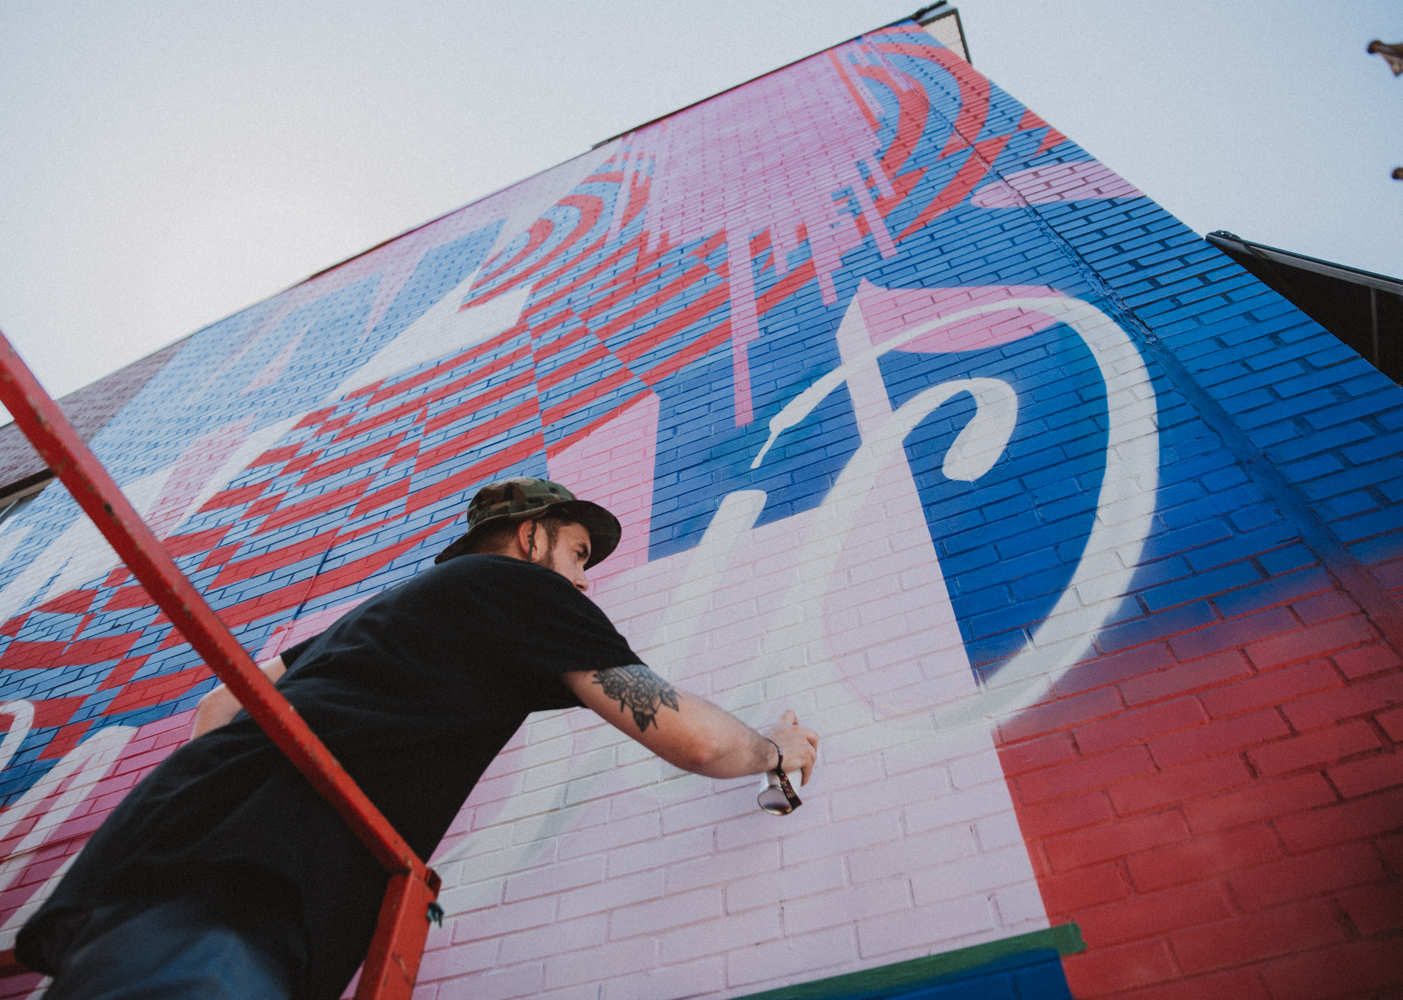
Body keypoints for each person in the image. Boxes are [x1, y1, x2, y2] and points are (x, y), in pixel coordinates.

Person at [16, 477, 818, 1000]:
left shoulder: (382, 616)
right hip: (241, 906)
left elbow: (218, 712)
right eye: (577, 554)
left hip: (135, 879)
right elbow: (699, 743)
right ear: (530, 536)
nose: (583, 580)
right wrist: (778, 750)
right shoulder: (517, 587)